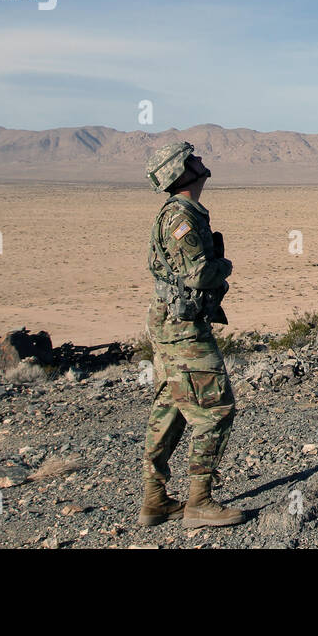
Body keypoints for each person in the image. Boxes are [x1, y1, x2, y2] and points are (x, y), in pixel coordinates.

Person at [139, 141, 246, 528]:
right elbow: (198, 274)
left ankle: (154, 500)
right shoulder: (181, 218)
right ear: (181, 171)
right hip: (184, 330)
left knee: (169, 409)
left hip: (171, 325)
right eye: (193, 158)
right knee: (215, 410)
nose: (201, 161)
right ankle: (199, 503)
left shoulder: (181, 213)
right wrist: (224, 266)